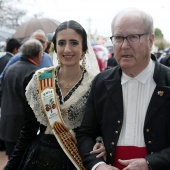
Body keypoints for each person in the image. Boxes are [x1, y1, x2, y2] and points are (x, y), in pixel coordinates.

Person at [4, 20, 105, 170]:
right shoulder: (39, 80)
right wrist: (10, 166)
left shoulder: (96, 83)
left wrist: (102, 143)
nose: (67, 49)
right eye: (62, 43)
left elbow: (101, 128)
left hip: (78, 160)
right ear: (55, 47)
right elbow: (28, 130)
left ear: (84, 49)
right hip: (40, 159)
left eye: (74, 43)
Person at [76, 8, 170, 170]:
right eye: (118, 38)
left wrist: (150, 163)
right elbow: (85, 134)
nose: (124, 45)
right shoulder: (101, 82)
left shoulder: (167, 81)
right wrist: (98, 165)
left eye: (133, 37)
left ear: (150, 40)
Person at [0, 39, 43, 158]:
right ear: (39, 54)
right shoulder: (34, 73)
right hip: (23, 129)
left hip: (7, 126)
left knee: (12, 160)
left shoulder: (11, 68)